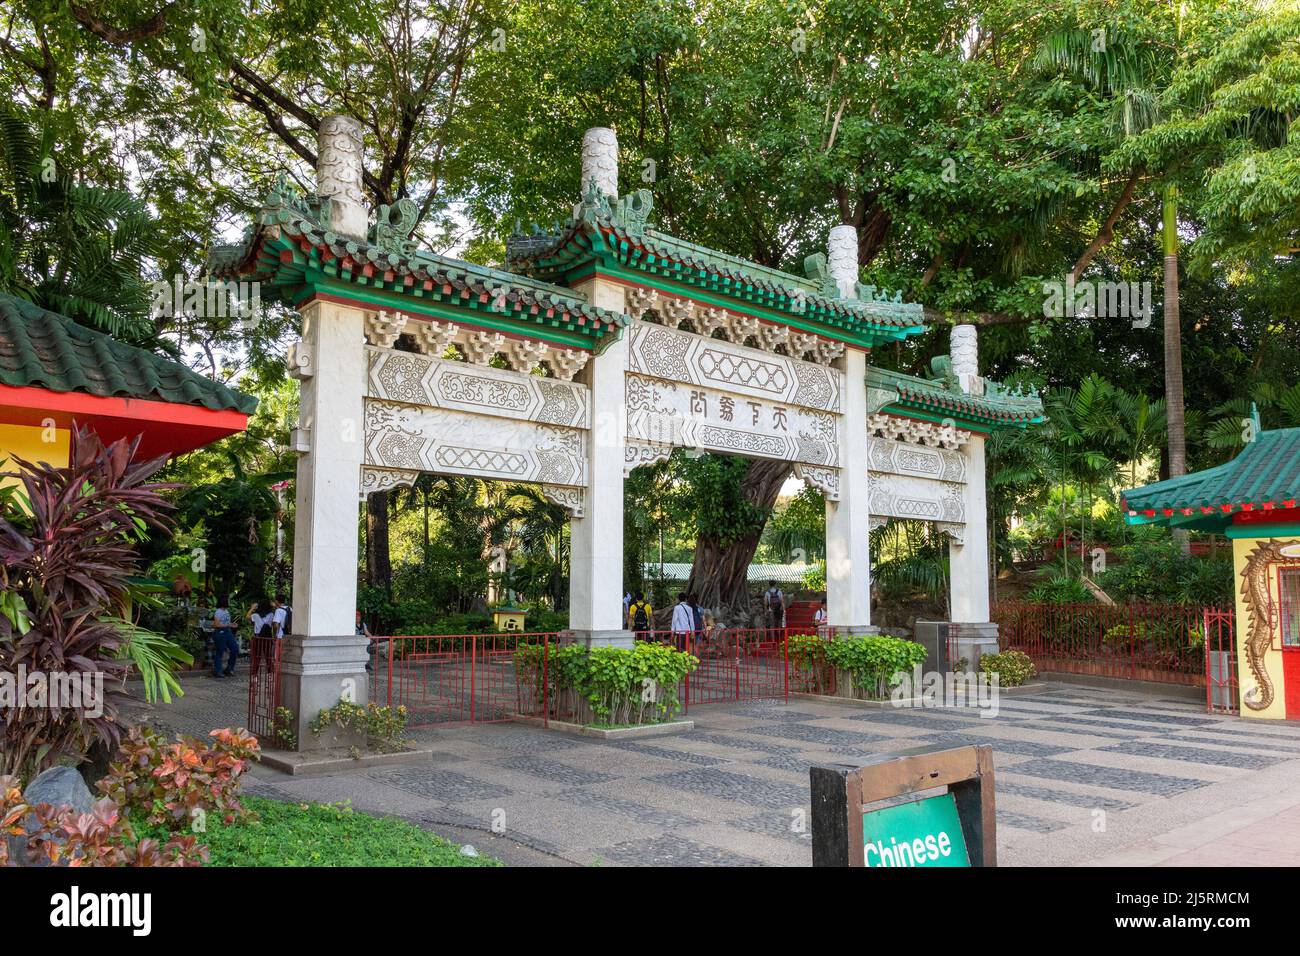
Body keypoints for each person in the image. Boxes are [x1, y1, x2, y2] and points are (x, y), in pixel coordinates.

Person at [211, 595, 238, 678]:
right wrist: (229, 625)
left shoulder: (226, 611)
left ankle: (229, 668)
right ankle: (218, 671)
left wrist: (231, 625)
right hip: (220, 633)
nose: (229, 602)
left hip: (227, 632)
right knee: (220, 651)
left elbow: (226, 623)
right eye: (228, 600)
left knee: (235, 649)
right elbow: (216, 624)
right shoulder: (218, 612)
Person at [247, 597, 276, 673]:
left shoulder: (255, 615)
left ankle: (254, 673)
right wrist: (273, 605)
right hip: (267, 638)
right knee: (268, 656)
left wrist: (252, 608)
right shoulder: (271, 615)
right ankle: (270, 672)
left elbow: (247, 617)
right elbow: (274, 624)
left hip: (258, 638)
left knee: (257, 656)